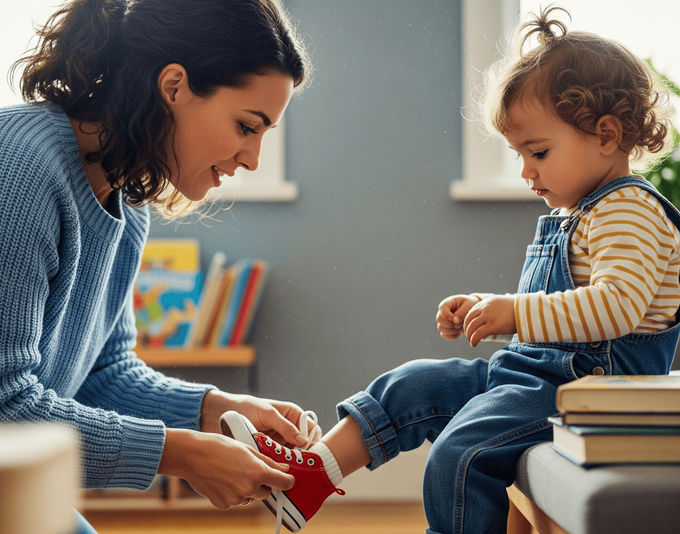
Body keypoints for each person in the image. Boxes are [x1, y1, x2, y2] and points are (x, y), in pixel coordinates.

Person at [220, 5, 680, 534]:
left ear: (605, 134)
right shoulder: (583, 210)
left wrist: (513, 314)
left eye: (538, 152)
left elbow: (616, 309)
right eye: (518, 156)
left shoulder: (629, 210)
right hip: (536, 377)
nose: (527, 172)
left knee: (460, 455)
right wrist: (488, 307)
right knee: (409, 386)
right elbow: (564, 308)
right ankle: (311, 479)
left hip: (587, 393)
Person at [0, 0, 315, 532]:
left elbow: (103, 374)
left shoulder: (125, 206)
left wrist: (215, 409)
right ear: (174, 87)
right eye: (246, 126)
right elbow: (7, 411)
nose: (253, 159)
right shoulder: (21, 167)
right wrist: (183, 454)